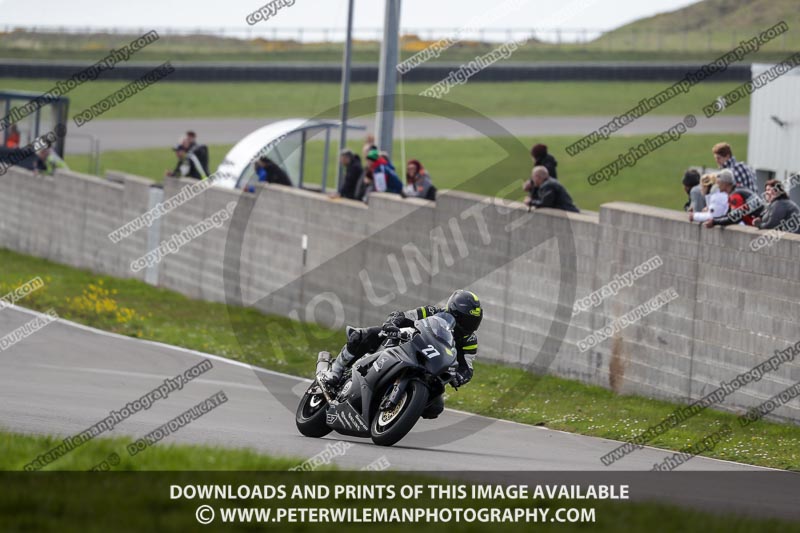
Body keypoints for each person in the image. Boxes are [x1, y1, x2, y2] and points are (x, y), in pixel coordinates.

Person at [319, 289, 483, 419]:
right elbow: (404, 315)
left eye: (473, 321)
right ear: (453, 312)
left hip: (431, 367)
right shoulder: (433, 311)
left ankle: (399, 409)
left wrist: (460, 377)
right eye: (465, 320)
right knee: (363, 335)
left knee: (435, 407)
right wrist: (393, 324)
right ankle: (336, 370)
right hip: (406, 346)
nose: (468, 325)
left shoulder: (470, 341)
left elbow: (467, 367)